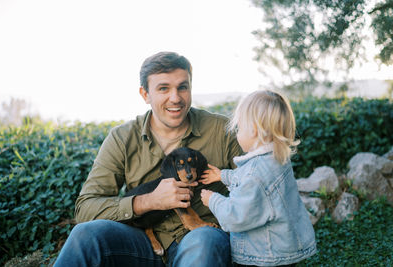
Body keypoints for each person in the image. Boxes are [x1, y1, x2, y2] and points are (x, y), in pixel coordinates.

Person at [54, 51, 242, 267]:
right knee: (85, 234)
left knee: (204, 242)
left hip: (203, 236)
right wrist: (148, 201)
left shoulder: (222, 130)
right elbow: (86, 208)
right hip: (141, 242)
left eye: (183, 86)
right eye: (164, 88)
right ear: (145, 94)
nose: (176, 98)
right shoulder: (122, 138)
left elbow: (257, 183)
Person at [200, 90, 317, 266]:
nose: (237, 133)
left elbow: (235, 216)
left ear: (254, 130)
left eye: (239, 128)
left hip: (263, 256)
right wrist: (222, 175)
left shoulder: (255, 174)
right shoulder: (275, 160)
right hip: (282, 247)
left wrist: (212, 200)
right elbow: (250, 181)